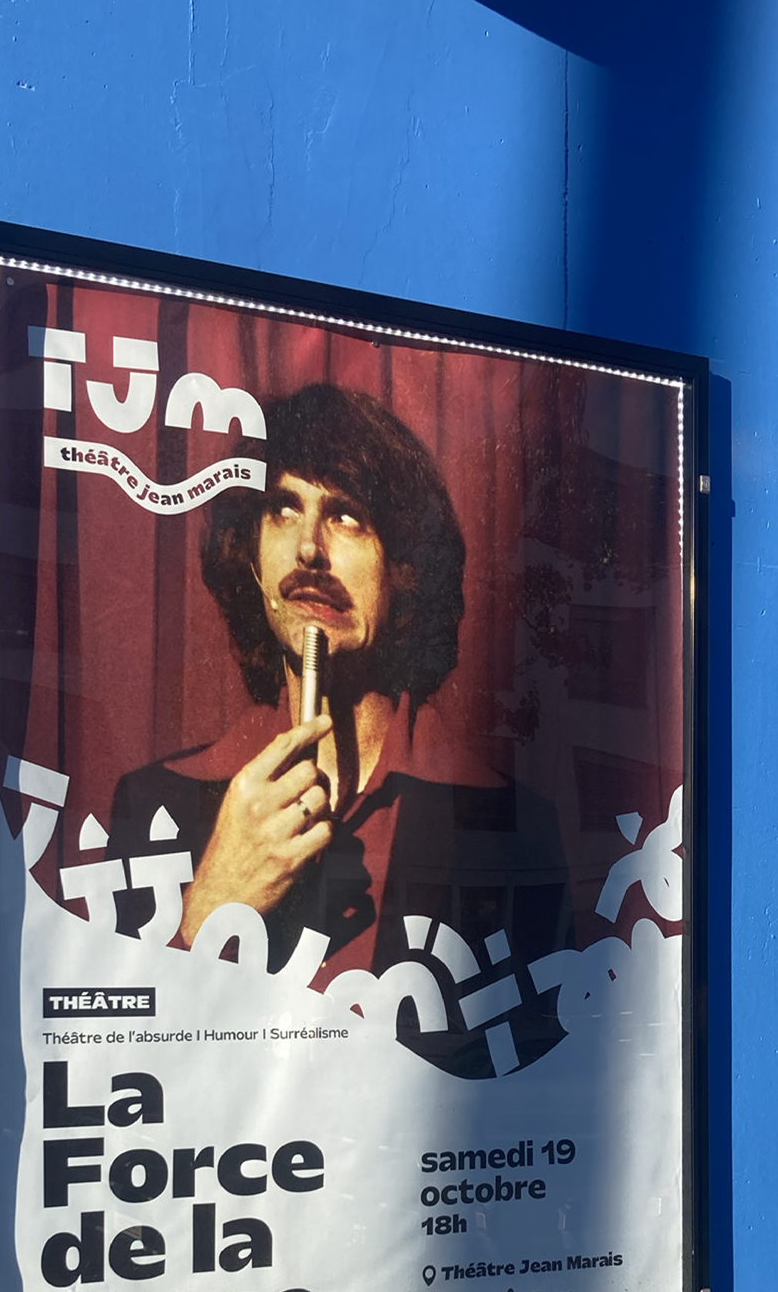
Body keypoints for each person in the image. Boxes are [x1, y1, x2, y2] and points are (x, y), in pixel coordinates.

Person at [105, 384, 568, 1077]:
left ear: (405, 569)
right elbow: (116, 1084)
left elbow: (535, 1096)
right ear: (250, 553)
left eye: (348, 517)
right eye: (283, 508)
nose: (310, 549)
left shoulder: (507, 822)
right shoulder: (153, 805)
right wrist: (209, 912)